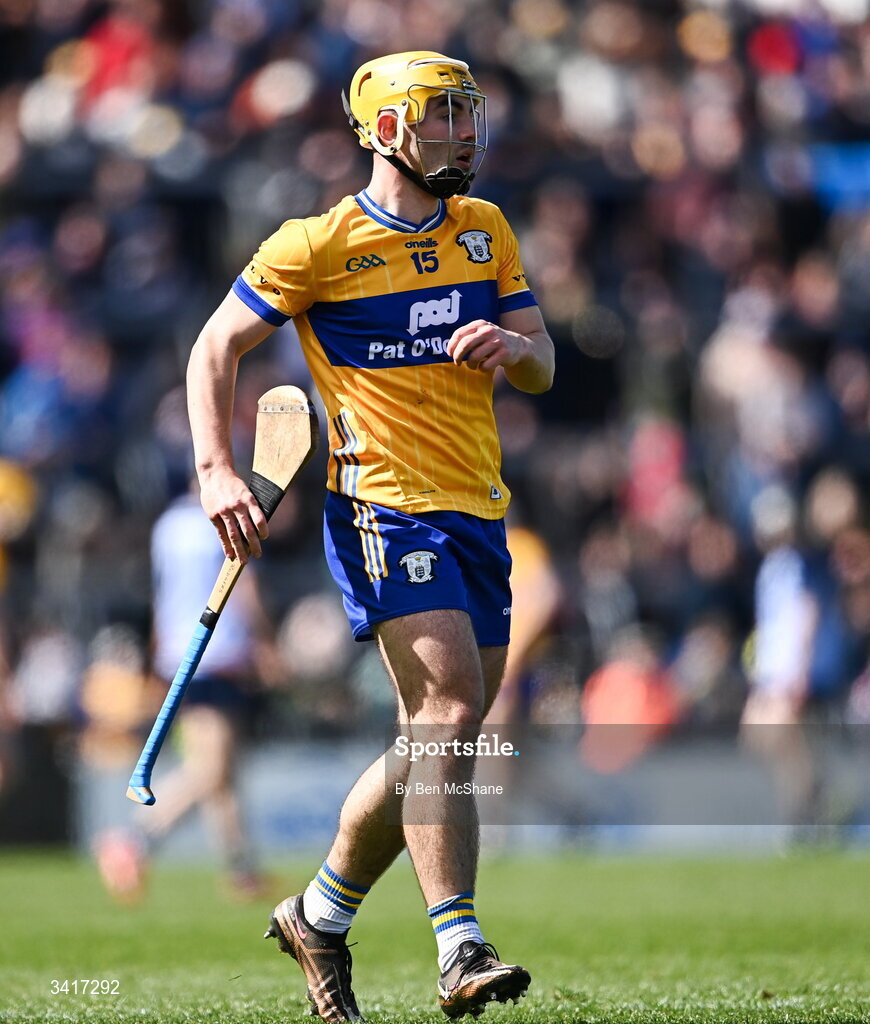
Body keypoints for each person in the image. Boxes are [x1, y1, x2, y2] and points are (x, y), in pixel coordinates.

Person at [186, 51, 554, 1022]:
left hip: (478, 505)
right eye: (442, 117)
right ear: (388, 129)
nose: (465, 132)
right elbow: (215, 345)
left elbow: (545, 363)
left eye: (469, 114)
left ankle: (317, 913)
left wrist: (517, 350)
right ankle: (459, 944)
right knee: (446, 714)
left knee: (441, 734)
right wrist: (216, 468)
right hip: (381, 505)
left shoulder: (486, 231)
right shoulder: (318, 244)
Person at [95, 482, 274, 903]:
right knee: (211, 769)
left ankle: (241, 870)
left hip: (182, 651)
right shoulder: (233, 516)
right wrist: (265, 641)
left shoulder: (168, 524)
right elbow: (245, 587)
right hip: (221, 651)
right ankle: (131, 840)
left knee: (221, 772)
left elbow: (162, 596)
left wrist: (160, 656)